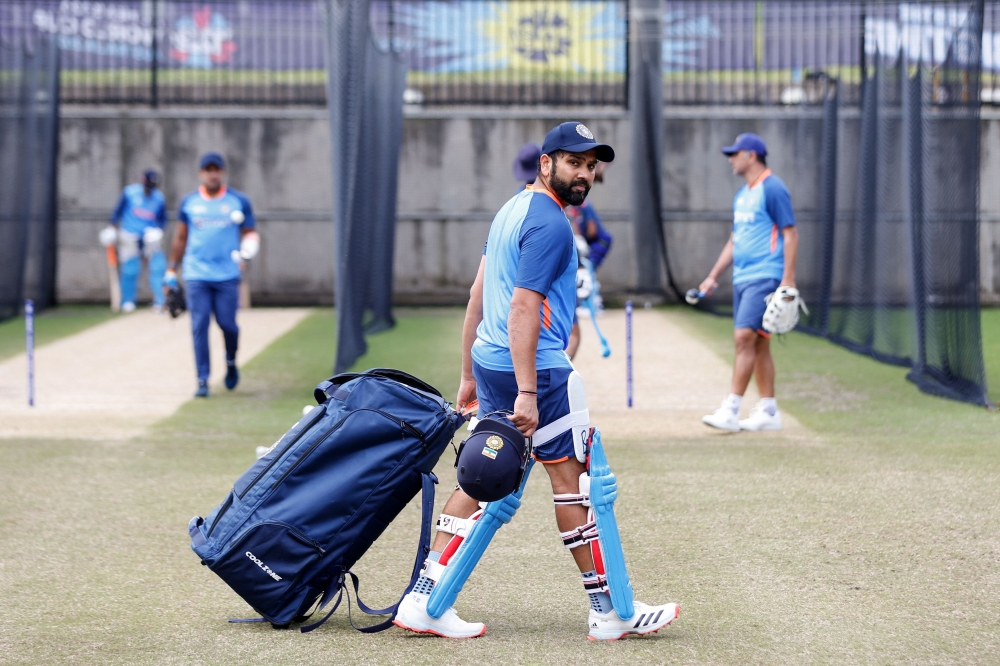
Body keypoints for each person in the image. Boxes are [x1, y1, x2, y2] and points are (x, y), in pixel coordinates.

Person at [392, 122, 679, 640]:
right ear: (546, 163)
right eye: (573, 162)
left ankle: (422, 598)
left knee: (481, 478)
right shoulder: (549, 222)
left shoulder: (511, 209)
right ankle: (608, 611)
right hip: (539, 371)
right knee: (573, 485)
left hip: (493, 361)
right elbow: (523, 306)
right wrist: (527, 389)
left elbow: (477, 297)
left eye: (591, 166)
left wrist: (468, 375)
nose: (584, 174)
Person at [698, 133, 799, 432]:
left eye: (735, 153)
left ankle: (731, 410)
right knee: (759, 344)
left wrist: (788, 280)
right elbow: (735, 240)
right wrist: (713, 275)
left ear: (751, 156)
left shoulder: (773, 187)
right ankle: (769, 410)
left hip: (764, 275)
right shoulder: (743, 194)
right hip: (742, 277)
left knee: (744, 339)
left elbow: (790, 233)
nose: (731, 159)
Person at [165, 152, 260, 398]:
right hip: (197, 273)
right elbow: (181, 237)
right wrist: (171, 269)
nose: (212, 174)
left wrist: (248, 250)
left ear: (222, 172)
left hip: (227, 274)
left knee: (228, 325)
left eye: (216, 169)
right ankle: (202, 380)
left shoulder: (239, 200)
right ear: (201, 173)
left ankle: (230, 361)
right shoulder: (189, 202)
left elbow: (250, 232)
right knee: (199, 325)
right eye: (208, 170)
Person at [101, 170, 167, 313]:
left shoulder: (159, 198)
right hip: (129, 236)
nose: (150, 189)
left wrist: (158, 231)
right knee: (130, 270)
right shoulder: (130, 192)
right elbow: (117, 211)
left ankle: (161, 301)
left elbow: (162, 219)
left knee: (158, 268)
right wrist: (111, 228)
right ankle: (128, 301)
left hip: (150, 238)